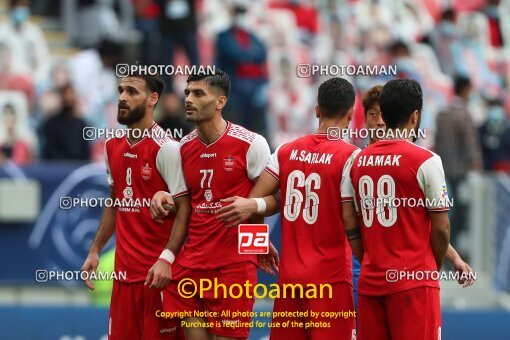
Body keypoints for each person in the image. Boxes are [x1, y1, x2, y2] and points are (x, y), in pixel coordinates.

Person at [217, 77, 359, 339]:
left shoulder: (286, 151)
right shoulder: (351, 157)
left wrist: (257, 246)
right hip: (330, 281)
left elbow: (254, 201)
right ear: (351, 113)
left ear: (317, 110)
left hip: (290, 280)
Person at [150, 70, 275, 340]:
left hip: (233, 266)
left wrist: (257, 236)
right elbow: (187, 201)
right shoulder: (182, 148)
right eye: (187, 93)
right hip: (191, 264)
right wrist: (164, 197)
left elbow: (275, 199)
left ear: (220, 102)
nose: (188, 99)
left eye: (198, 94)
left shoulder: (251, 144)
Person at [80, 73, 188, 339]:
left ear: (153, 99)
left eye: (132, 91)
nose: (122, 98)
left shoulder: (167, 149)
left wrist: (167, 258)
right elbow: (115, 202)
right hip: (123, 279)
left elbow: (186, 208)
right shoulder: (111, 146)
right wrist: (95, 250)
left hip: (159, 278)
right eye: (121, 91)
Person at [345, 79, 450, 340]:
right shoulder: (427, 160)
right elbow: (441, 227)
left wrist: (369, 258)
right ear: (415, 117)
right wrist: (429, 273)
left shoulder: (357, 162)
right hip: (414, 284)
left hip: (370, 282)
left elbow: (350, 220)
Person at [434, 76, 483, 254]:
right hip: (461, 172)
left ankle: (445, 248)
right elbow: (470, 142)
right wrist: (476, 164)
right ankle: (456, 250)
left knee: (446, 210)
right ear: (465, 90)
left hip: (442, 170)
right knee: (462, 212)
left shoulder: (442, 113)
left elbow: (437, 141)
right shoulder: (464, 114)